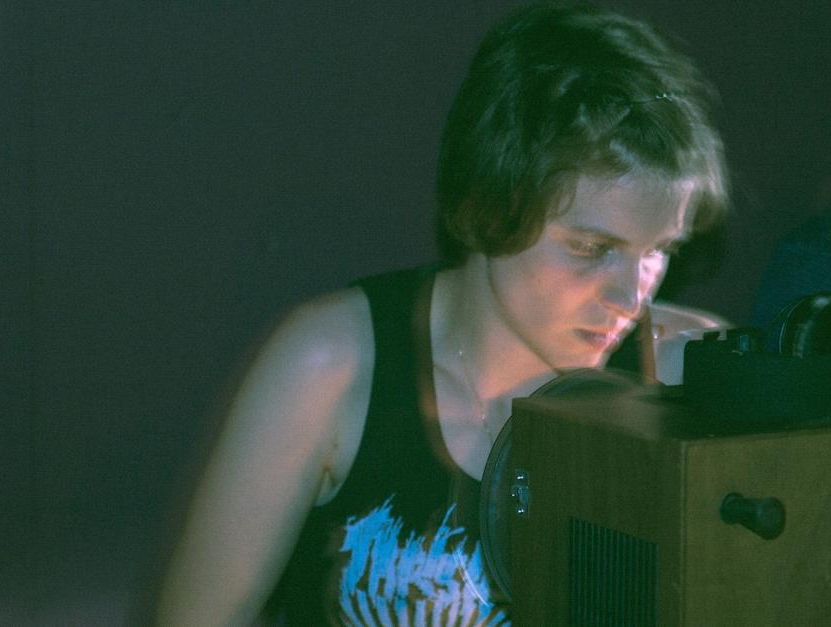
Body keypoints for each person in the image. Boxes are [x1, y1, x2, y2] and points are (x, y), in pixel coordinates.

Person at [153, 3, 730, 625]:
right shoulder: (330, 367)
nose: (632, 296)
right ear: (492, 201)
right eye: (591, 248)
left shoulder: (690, 374)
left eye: (660, 251)